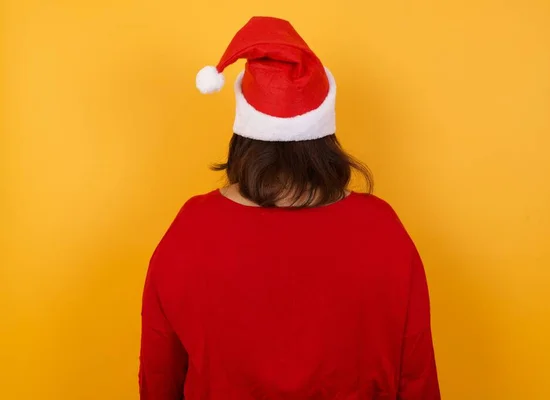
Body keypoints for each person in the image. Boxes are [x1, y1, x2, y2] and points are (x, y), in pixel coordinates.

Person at [138, 16, 440, 400]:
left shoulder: (191, 230)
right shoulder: (382, 230)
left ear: (243, 135)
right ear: (324, 137)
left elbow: (159, 378)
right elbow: (417, 379)